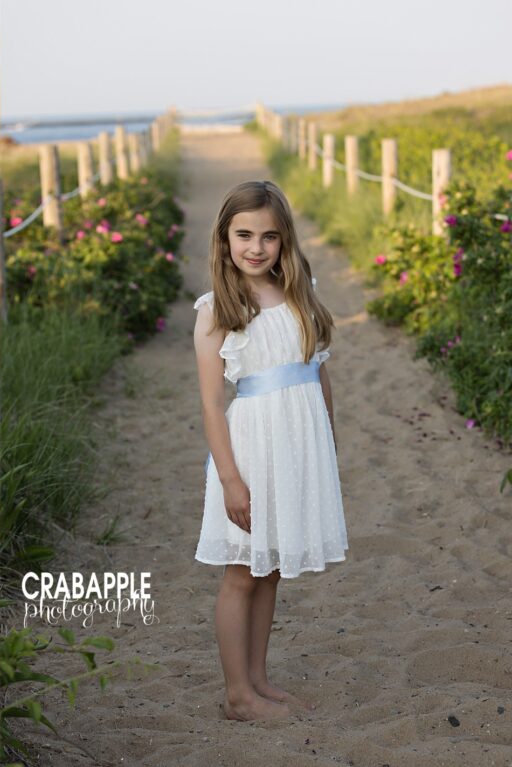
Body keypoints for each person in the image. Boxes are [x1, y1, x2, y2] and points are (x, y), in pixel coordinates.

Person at [193, 180, 346, 721]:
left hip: (297, 449)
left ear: (285, 242)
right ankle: (238, 695)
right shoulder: (216, 309)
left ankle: (258, 679)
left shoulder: (300, 293)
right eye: (244, 235)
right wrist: (232, 479)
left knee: (271, 567)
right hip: (252, 452)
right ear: (224, 238)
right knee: (242, 570)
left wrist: (325, 444)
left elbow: (317, 373)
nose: (256, 247)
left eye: (269, 237)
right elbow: (213, 405)